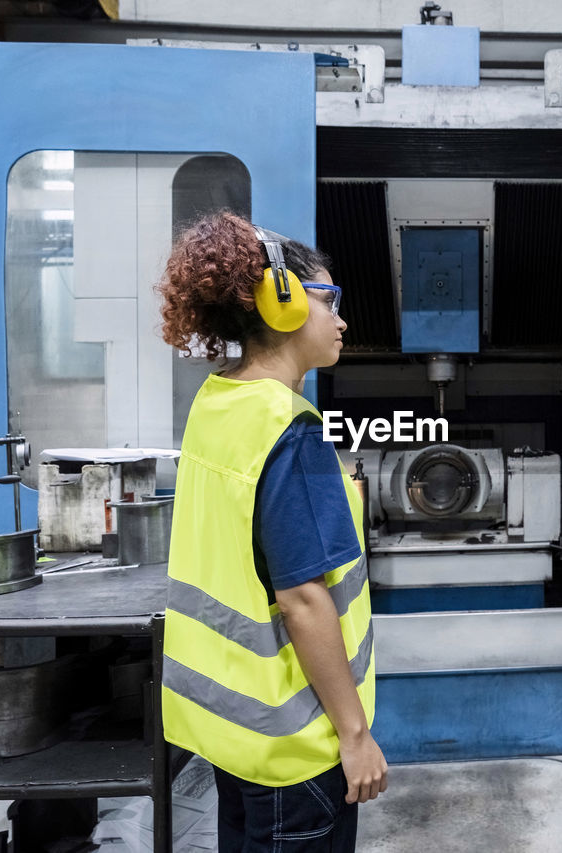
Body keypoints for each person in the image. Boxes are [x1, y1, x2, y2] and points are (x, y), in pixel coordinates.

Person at [157, 212, 385, 852]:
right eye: (329, 299)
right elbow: (304, 597)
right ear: (282, 302)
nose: (341, 319)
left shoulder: (217, 402)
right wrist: (355, 735)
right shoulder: (290, 428)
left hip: (233, 729)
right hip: (294, 742)